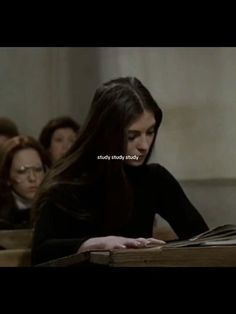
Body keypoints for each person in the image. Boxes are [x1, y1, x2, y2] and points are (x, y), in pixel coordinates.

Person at [31, 77, 208, 265]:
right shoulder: (69, 182)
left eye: (150, 132)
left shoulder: (154, 179)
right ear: (107, 133)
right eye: (132, 136)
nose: (144, 145)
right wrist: (93, 244)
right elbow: (41, 252)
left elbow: (203, 240)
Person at [0, 135, 50, 229]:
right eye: (22, 171)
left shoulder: (56, 205)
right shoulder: (3, 217)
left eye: (38, 169)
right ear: (7, 177)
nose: (32, 178)